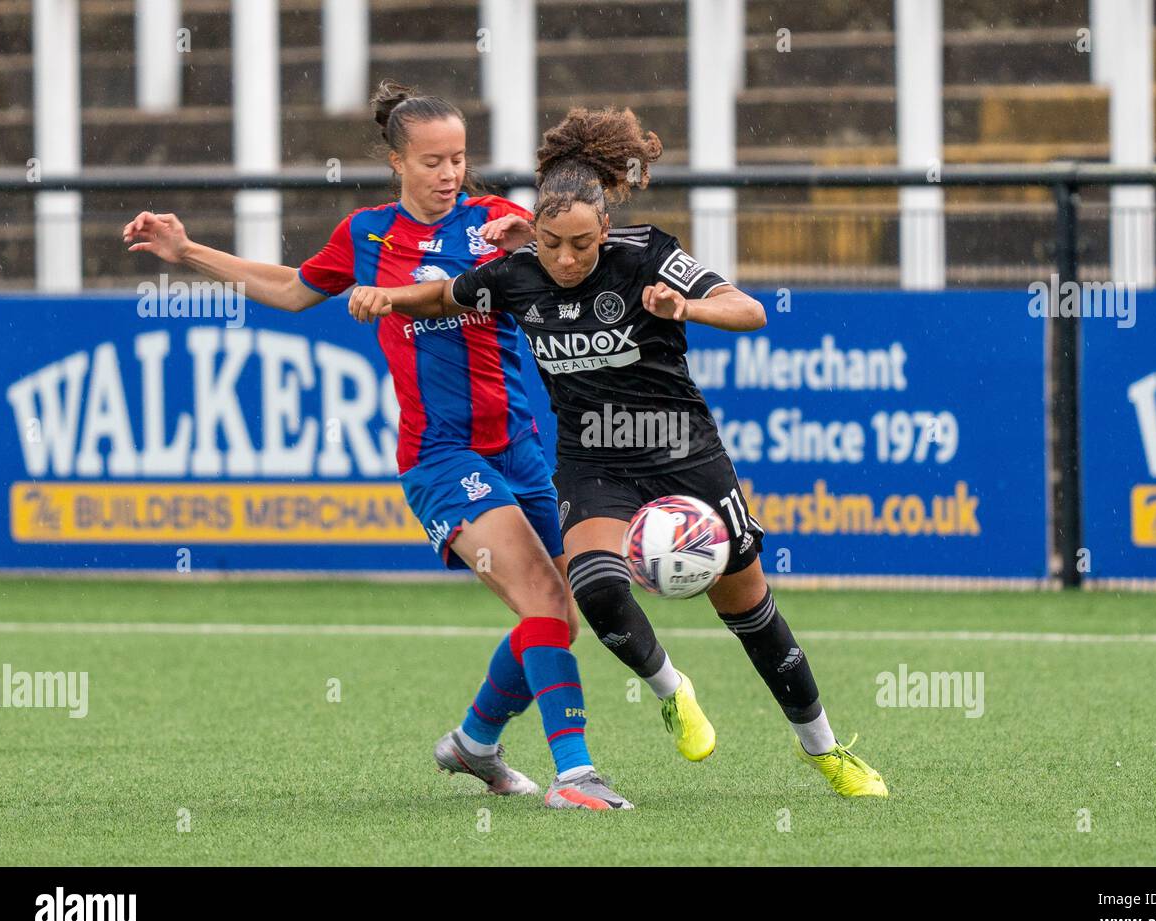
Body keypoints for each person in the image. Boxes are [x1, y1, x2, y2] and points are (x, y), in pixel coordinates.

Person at [346, 107, 889, 798]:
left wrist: (685, 308)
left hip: (681, 452)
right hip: (593, 461)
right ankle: (672, 687)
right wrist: (387, 296)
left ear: (606, 229)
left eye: (580, 243)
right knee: (595, 587)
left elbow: (749, 310)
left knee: (749, 609)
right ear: (532, 234)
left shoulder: (648, 254)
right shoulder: (515, 272)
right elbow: (442, 295)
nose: (566, 259)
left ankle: (823, 748)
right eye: (551, 243)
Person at [121, 83, 632, 811]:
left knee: (556, 618)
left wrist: (532, 242)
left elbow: (570, 252)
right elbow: (294, 289)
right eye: (431, 160)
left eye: (458, 157)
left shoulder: (498, 219)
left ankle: (474, 741)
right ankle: (576, 774)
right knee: (547, 601)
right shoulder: (367, 235)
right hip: (441, 458)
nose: (449, 172)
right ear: (398, 162)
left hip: (521, 451)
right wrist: (186, 249)